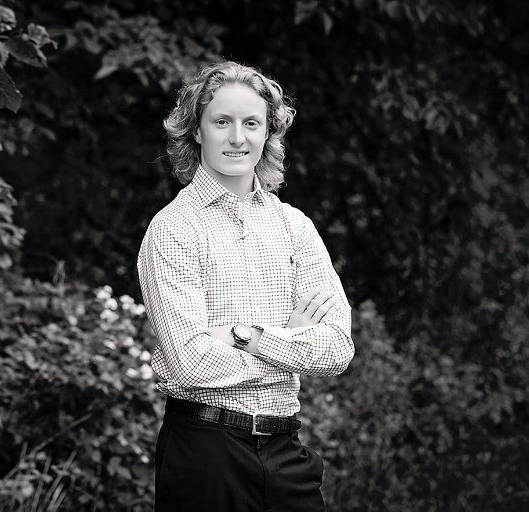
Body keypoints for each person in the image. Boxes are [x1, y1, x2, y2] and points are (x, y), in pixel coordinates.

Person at [137, 60, 355, 511]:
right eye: (222, 122)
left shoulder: (294, 227)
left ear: (267, 133)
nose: (237, 138)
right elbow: (190, 364)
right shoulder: (173, 229)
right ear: (196, 131)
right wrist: (289, 341)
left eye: (251, 123)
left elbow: (337, 348)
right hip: (206, 454)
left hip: (286, 451)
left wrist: (245, 337)